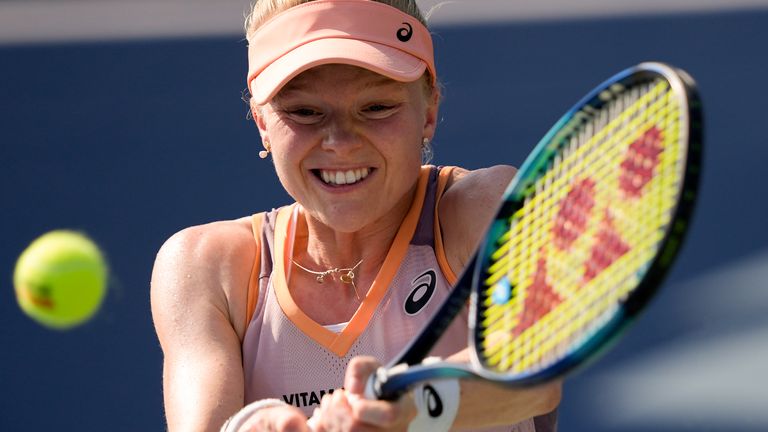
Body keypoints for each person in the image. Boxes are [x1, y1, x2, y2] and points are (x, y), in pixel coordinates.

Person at [150, 0, 561, 430]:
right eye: (305, 112)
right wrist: (253, 425)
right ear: (262, 123)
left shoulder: (487, 206)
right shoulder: (204, 266)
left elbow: (533, 375)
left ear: (430, 112)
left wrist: (402, 411)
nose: (340, 142)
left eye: (377, 107)